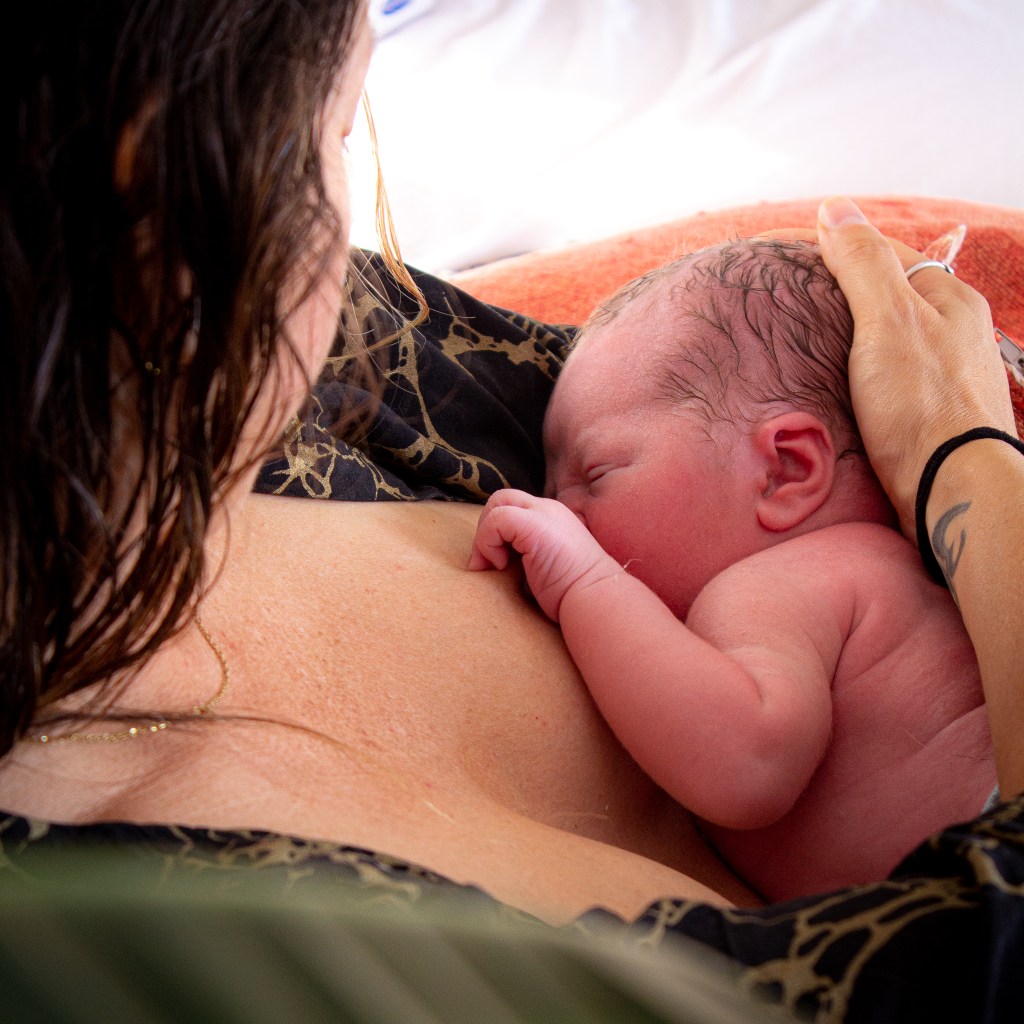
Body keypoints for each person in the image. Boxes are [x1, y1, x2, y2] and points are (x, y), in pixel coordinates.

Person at [2, 0, 1024, 1015]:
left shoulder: (354, 357)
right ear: (162, 190)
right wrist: (970, 463)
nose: (550, 494)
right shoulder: (147, 944)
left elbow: (688, 384)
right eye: (339, 133)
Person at [470, 237, 995, 901]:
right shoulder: (908, 572)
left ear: (784, 470)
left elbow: (747, 766)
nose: (560, 511)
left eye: (596, 473)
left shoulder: (781, 584)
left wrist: (584, 582)